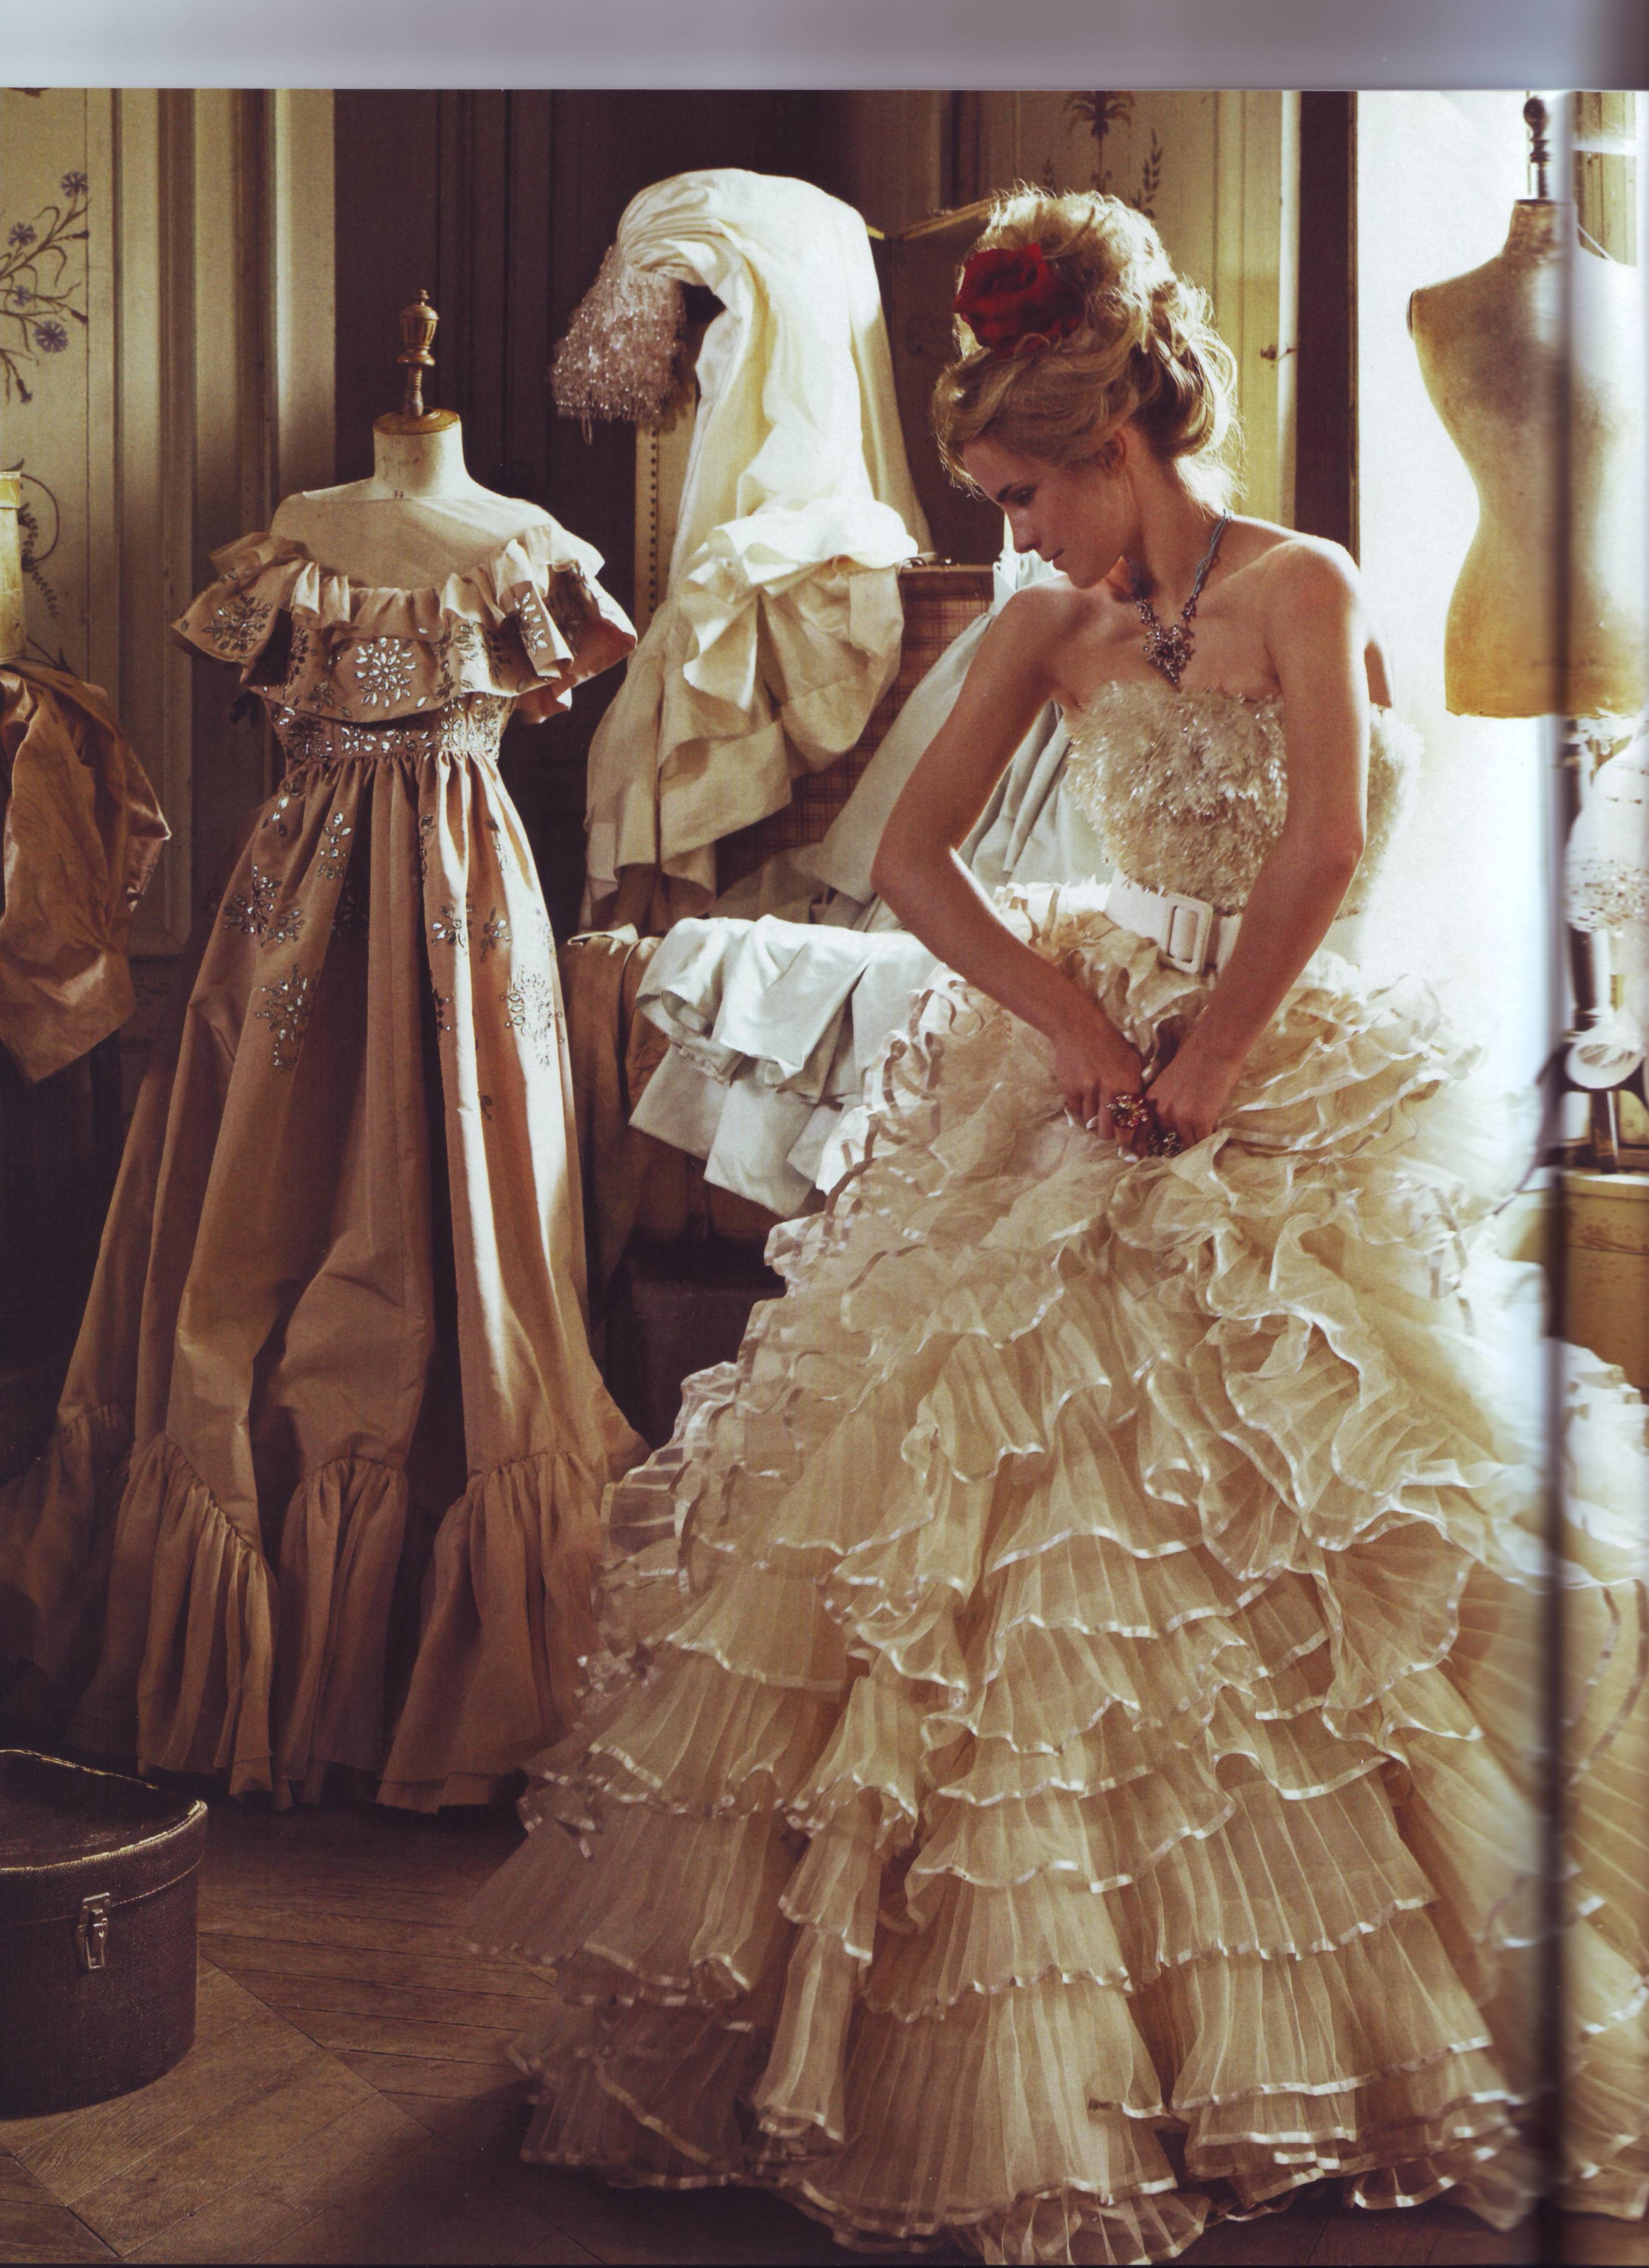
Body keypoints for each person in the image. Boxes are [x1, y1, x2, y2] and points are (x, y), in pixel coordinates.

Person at [465, 189, 1648, 2262]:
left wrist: (1213, 1057)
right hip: (1087, 1065)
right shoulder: (1042, 626)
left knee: (1320, 1497)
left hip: (1276, 1056)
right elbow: (916, 861)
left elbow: (1321, 843)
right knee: (985, 1493)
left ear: (1111, 444)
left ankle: (1338, 2008)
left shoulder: (1297, 581)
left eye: (1020, 494)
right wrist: (1077, 1024)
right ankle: (1021, 2023)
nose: (1009, 534)